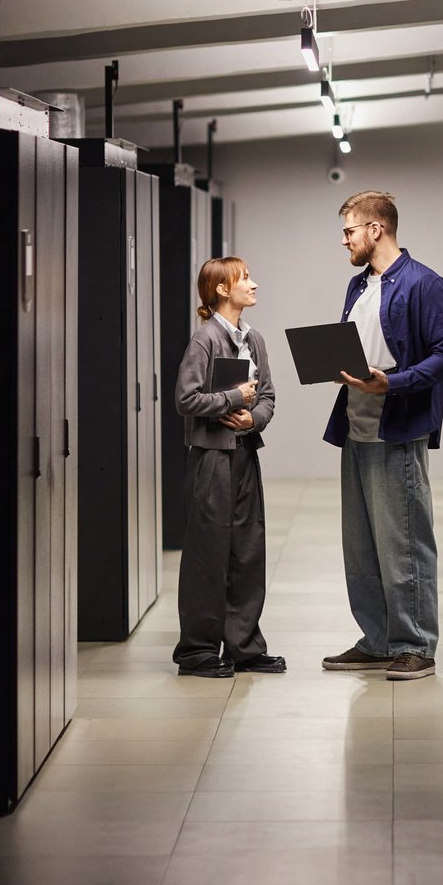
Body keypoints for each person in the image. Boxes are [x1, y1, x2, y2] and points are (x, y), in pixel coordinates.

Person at [321, 191, 443, 681]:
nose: (345, 241)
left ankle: (416, 644)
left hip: (397, 430)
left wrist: (393, 382)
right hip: (356, 428)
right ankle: (378, 640)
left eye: (350, 231)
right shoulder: (358, 286)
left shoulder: (425, 285)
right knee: (360, 545)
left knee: (404, 543)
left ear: (376, 229)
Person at [171, 256, 285, 678]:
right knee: (208, 552)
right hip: (212, 460)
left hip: (244, 455)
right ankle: (197, 651)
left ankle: (244, 646)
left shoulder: (254, 339)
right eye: (244, 279)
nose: (253, 284)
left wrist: (253, 418)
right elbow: (186, 400)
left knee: (248, 550)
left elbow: (269, 396)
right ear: (222, 289)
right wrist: (234, 400)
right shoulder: (204, 340)